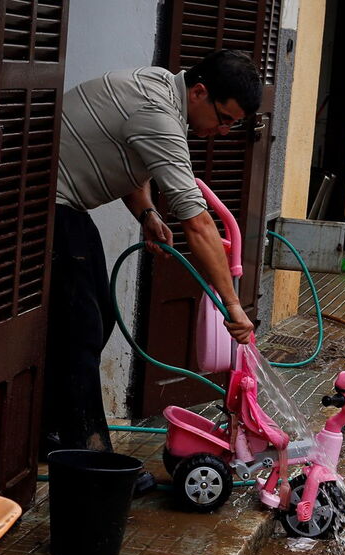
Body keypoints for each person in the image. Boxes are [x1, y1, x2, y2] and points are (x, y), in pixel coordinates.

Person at [44, 50, 259, 454]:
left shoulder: (160, 86)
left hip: (65, 205)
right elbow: (198, 223)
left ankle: (53, 431)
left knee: (100, 316)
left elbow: (132, 158)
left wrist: (146, 212)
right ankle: (87, 453)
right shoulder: (158, 114)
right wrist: (233, 305)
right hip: (43, 202)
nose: (226, 131)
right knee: (81, 331)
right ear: (199, 92)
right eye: (225, 118)